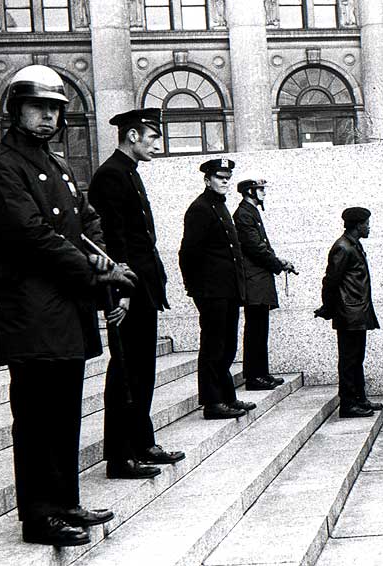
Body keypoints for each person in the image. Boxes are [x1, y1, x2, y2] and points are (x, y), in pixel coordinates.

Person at [0, 65, 136, 546]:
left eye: (55, 109)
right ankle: (39, 516)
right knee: (36, 419)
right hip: (31, 312)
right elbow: (32, 235)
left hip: (67, 310)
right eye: (38, 108)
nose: (47, 117)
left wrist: (104, 260)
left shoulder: (58, 166)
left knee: (65, 414)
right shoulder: (3, 165)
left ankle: (65, 501)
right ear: (16, 111)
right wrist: (95, 272)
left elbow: (87, 221)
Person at [88, 108, 185, 480]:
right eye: (152, 136)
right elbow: (113, 241)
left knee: (142, 369)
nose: (157, 144)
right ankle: (120, 456)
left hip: (142, 288)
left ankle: (143, 443)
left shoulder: (129, 172)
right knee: (126, 371)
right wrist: (122, 292)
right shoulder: (111, 175)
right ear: (132, 135)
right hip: (127, 291)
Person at [179, 158, 256, 420]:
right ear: (207, 180)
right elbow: (188, 252)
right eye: (219, 178)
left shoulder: (220, 206)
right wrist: (195, 288)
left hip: (228, 290)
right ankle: (212, 402)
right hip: (211, 291)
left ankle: (227, 397)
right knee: (213, 347)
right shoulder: (200, 209)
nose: (224, 182)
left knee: (228, 345)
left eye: (227, 178)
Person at [315, 207, 383, 418]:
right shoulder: (343, 247)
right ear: (357, 225)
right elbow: (330, 281)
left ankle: (359, 399)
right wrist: (328, 308)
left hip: (356, 312)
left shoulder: (353, 245)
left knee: (356, 358)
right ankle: (348, 404)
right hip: (349, 313)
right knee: (349, 360)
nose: (369, 227)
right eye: (366, 224)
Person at [232, 178, 295, 391]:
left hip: (259, 279)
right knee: (255, 329)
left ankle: (261, 373)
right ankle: (254, 377)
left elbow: (260, 246)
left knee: (260, 328)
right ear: (250, 191)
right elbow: (255, 248)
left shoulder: (250, 212)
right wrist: (277, 264)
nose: (264, 193)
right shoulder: (243, 214)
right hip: (254, 280)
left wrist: (278, 261)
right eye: (260, 189)